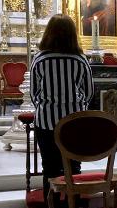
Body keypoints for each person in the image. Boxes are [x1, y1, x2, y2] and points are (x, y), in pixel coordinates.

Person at [30, 14, 94, 205]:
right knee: (73, 167)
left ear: (48, 33)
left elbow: (34, 93)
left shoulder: (39, 59)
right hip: (74, 123)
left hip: (46, 121)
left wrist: (47, 106)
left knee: (50, 168)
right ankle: (73, 203)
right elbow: (89, 92)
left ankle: (52, 204)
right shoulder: (80, 60)